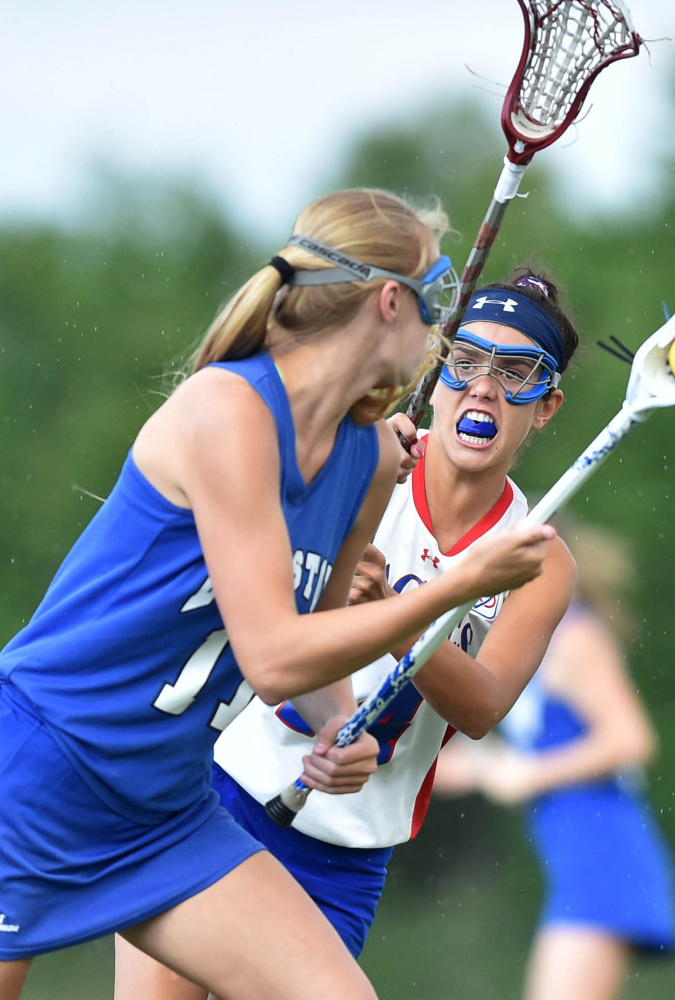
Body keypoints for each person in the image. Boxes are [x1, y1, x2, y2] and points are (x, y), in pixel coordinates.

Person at [0, 188, 559, 1000]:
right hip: (39, 776)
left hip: (163, 810)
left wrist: (337, 721)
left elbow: (318, 630)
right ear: (390, 303)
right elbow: (268, 656)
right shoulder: (227, 411)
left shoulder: (366, 458)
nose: (443, 341)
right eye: (437, 305)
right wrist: (453, 591)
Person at [114, 267, 581, 999]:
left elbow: (483, 707)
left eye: (515, 372)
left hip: (344, 854)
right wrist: (347, 461)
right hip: (220, 793)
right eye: (465, 361)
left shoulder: (537, 559)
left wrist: (399, 615)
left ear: (546, 405)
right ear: (441, 368)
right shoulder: (369, 458)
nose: (483, 387)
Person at [436, 522, 675, 1000]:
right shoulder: (521, 646)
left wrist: (531, 774)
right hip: (577, 863)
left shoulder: (574, 637)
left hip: (605, 858)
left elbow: (631, 739)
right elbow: (487, 764)